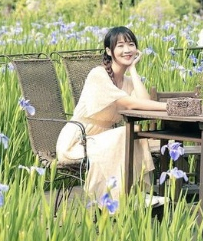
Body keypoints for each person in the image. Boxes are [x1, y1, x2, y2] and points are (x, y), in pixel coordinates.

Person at [56, 26, 167, 201]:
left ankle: (131, 194)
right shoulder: (98, 75)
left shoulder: (128, 81)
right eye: (120, 46)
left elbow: (144, 105)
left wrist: (133, 70)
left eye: (130, 44)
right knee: (129, 132)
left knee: (132, 132)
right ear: (109, 51)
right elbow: (130, 103)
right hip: (78, 141)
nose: (127, 50)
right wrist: (169, 107)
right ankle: (118, 198)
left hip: (104, 139)